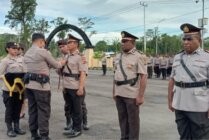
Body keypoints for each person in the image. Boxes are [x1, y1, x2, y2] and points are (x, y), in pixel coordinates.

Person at [168, 23, 209, 140]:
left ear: (199, 40)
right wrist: (170, 100)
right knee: (184, 136)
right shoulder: (178, 57)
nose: (185, 42)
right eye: (184, 39)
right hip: (180, 105)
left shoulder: (207, 57)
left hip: (199, 106)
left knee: (200, 137)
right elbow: (172, 79)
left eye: (189, 39)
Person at [24, 33, 66, 140]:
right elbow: (56, 65)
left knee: (32, 110)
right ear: (41, 41)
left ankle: (34, 134)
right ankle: (44, 135)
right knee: (43, 111)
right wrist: (62, 62)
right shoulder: (43, 51)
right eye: (43, 42)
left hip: (29, 86)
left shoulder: (27, 52)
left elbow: (41, 65)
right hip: (41, 87)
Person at [113, 31, 147, 140]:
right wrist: (114, 91)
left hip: (131, 94)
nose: (122, 43)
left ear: (132, 42)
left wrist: (141, 96)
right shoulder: (118, 56)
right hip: (119, 92)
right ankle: (124, 137)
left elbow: (143, 77)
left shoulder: (139, 56)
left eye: (124, 41)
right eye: (121, 41)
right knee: (122, 118)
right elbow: (116, 75)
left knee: (133, 121)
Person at [61, 34, 88, 138]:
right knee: (70, 108)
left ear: (76, 44)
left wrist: (81, 87)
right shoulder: (67, 56)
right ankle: (73, 127)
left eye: (69, 42)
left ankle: (77, 129)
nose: (67, 44)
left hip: (75, 87)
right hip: (67, 87)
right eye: (67, 42)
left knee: (77, 110)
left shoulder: (80, 57)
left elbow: (83, 73)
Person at [0, 42, 26, 137]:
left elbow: (25, 71)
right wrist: (7, 77)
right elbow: (0, 74)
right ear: (8, 49)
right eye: (13, 48)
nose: (16, 50)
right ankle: (9, 129)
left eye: (17, 48)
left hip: (19, 90)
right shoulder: (5, 61)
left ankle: (17, 127)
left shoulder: (22, 59)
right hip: (9, 90)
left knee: (18, 109)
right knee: (10, 109)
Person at [17, 43, 28, 119]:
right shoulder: (11, 59)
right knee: (17, 99)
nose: (17, 50)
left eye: (19, 49)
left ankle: (22, 112)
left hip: (23, 81)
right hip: (14, 82)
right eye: (16, 49)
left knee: (24, 99)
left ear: (22, 50)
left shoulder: (25, 59)